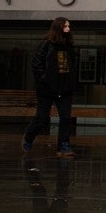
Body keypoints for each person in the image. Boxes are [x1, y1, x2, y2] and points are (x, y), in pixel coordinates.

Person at [23, 18, 77, 157]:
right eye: (66, 26)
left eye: (68, 26)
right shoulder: (47, 45)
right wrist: (44, 79)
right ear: (59, 27)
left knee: (65, 118)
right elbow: (36, 65)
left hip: (64, 88)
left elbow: (72, 65)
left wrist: (71, 82)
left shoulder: (69, 46)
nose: (68, 28)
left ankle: (63, 146)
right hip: (47, 88)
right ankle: (28, 137)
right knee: (41, 117)